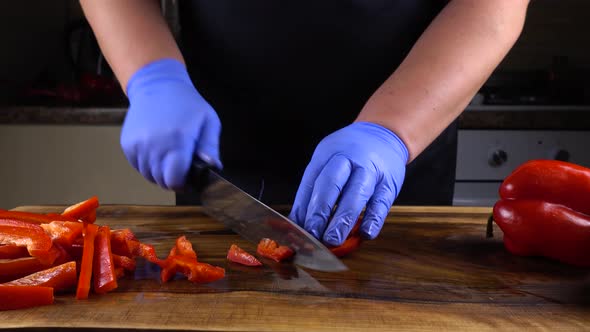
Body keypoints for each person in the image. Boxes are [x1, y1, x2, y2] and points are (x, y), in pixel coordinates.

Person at [79, 0, 529, 247]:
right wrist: (153, 76)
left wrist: (391, 130)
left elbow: (493, 6)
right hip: (220, 156)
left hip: (398, 159)